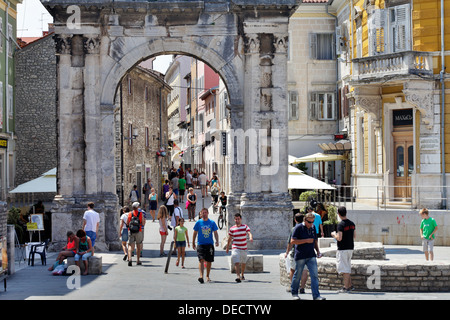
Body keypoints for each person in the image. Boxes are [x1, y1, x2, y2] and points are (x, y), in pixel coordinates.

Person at [290, 212, 325, 300]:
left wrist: (318, 251)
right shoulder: (298, 227)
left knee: (314, 275)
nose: (311, 224)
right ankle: (294, 293)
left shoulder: (313, 227)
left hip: (311, 255)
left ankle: (316, 296)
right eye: (309, 222)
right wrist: (306, 240)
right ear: (305, 220)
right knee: (297, 274)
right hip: (300, 255)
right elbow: (292, 241)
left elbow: (315, 241)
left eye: (312, 222)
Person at [331, 206, 356, 293]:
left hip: (343, 248)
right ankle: (350, 285)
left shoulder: (341, 225)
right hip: (350, 247)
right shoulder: (352, 223)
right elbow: (354, 236)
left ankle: (346, 287)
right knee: (347, 266)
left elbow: (339, 238)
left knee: (344, 269)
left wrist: (334, 234)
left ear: (338, 213)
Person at [192, 208, 219, 283]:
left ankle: (207, 275)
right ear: (200, 214)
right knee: (201, 259)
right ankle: (201, 276)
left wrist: (217, 241)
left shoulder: (212, 222)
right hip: (200, 244)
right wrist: (193, 242)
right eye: (202, 213)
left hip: (209, 244)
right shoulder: (198, 222)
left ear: (208, 213)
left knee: (209, 261)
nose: (204, 214)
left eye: (205, 212)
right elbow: (195, 233)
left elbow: (215, 232)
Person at [284, 213, 308, 294]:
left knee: (293, 269)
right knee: (304, 270)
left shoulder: (294, 229)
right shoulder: (307, 227)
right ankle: (302, 288)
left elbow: (290, 243)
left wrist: (287, 252)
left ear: (295, 220)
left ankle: (294, 286)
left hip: (296, 253)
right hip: (306, 252)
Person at [226, 213, 253, 282]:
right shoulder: (232, 228)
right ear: (234, 220)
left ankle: (242, 274)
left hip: (243, 247)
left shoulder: (245, 226)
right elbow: (230, 238)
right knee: (236, 260)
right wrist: (227, 247)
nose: (237, 220)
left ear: (240, 219)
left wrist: (250, 237)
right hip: (235, 246)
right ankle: (238, 276)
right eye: (236, 219)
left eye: (238, 219)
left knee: (243, 262)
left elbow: (249, 232)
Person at [127, 202, 145, 266]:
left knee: (130, 246)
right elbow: (142, 223)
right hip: (138, 231)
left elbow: (127, 223)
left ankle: (130, 258)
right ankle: (138, 260)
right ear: (137, 207)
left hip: (131, 231)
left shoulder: (130, 214)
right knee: (138, 246)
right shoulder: (140, 214)